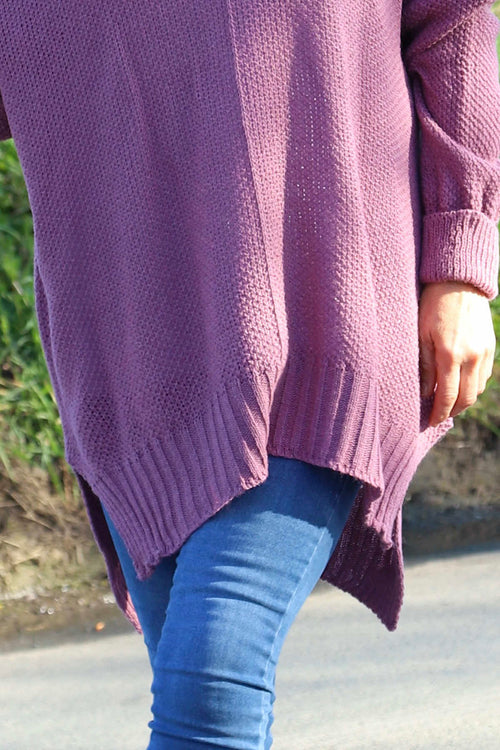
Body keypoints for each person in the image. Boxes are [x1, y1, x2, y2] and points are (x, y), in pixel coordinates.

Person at [1, 1, 499, 748]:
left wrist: (461, 261)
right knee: (202, 696)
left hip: (324, 322)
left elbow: (453, 23)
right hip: (128, 369)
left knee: (208, 688)